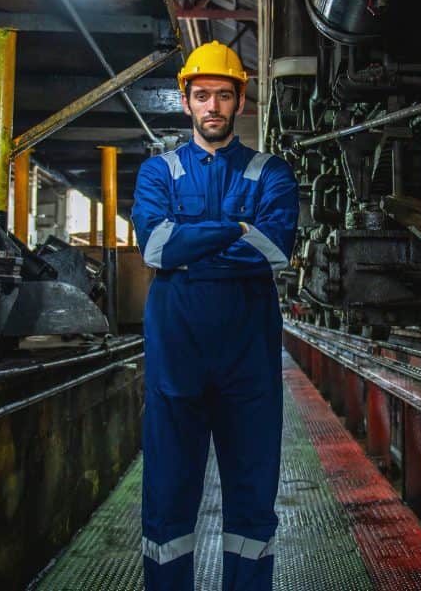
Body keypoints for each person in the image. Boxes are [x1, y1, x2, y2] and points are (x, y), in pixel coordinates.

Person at [131, 41, 299, 591]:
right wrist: (237, 230)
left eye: (223, 95)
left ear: (239, 102)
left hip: (247, 368)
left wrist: (191, 243)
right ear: (186, 102)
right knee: (167, 506)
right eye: (202, 95)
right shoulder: (158, 172)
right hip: (175, 365)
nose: (212, 106)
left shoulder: (270, 171)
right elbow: (155, 249)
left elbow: (276, 250)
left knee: (252, 508)